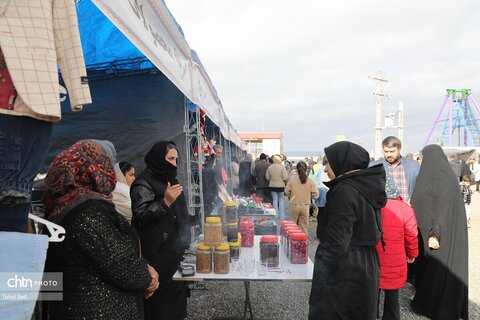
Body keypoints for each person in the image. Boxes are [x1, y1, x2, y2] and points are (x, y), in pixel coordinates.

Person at [0, 1, 91, 232]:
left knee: (13, 198)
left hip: (26, 98)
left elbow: (66, 30)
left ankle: (9, 267)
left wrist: (78, 89)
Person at [42, 140, 158, 320]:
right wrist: (148, 275)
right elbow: (127, 271)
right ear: (95, 169)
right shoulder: (89, 211)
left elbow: (52, 285)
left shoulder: (57, 209)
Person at [309, 141, 387, 320]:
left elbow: (336, 243)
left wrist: (321, 272)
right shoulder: (367, 184)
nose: (326, 168)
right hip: (367, 265)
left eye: (328, 162)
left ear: (341, 161)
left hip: (347, 269)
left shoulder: (344, 191)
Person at [131, 141, 192, 320]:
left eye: (176, 159)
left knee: (177, 298)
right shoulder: (142, 183)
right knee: (159, 305)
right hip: (156, 254)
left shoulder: (169, 178)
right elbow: (140, 217)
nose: (174, 163)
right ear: (159, 158)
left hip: (174, 250)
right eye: (170, 158)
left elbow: (177, 211)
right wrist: (165, 202)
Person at [410, 144, 468, 320]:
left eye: (424, 158)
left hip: (438, 234)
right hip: (430, 230)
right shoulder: (434, 175)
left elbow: (442, 209)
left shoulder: (441, 179)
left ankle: (436, 306)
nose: (422, 162)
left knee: (439, 269)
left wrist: (435, 233)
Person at [376, 175, 418, 320]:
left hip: (374, 259)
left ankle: (371, 314)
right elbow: (412, 236)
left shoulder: (372, 206)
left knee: (372, 293)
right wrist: (412, 254)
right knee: (392, 296)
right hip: (396, 261)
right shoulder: (406, 209)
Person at [371, 136, 420, 203]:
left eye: (392, 151)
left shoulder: (414, 165)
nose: (388, 155)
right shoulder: (375, 166)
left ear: (399, 149)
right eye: (386, 151)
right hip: (386, 210)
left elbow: (420, 188)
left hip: (408, 210)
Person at [284, 161, 319, 233]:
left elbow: (286, 191)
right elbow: (315, 194)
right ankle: (302, 243)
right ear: (306, 169)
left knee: (292, 228)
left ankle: (292, 243)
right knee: (303, 229)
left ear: (297, 169)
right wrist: (309, 196)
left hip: (294, 204)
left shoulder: (292, 179)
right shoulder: (309, 180)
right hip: (305, 206)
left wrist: (291, 196)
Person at [266, 155, 289, 219]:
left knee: (274, 200)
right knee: (281, 200)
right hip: (281, 186)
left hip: (272, 185)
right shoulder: (282, 167)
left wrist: (271, 180)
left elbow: (267, 177)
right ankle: (282, 216)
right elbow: (285, 177)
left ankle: (275, 215)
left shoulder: (270, 167)